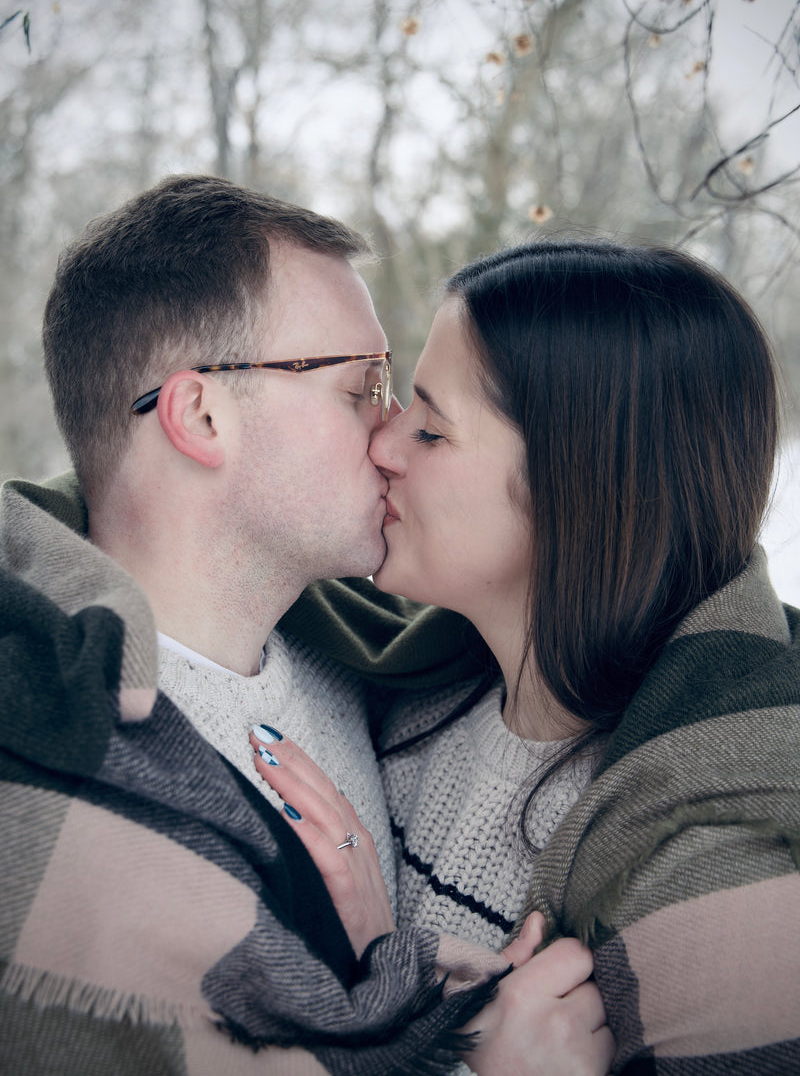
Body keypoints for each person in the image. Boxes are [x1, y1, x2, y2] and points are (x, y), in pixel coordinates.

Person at [0, 178, 612, 1075]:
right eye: (363, 384)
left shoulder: (361, 661)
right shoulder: (65, 789)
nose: (395, 428)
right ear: (202, 415)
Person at [251, 239, 800, 1073]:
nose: (385, 444)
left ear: (581, 488)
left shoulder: (715, 869)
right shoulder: (416, 689)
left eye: (432, 429)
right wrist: (384, 963)